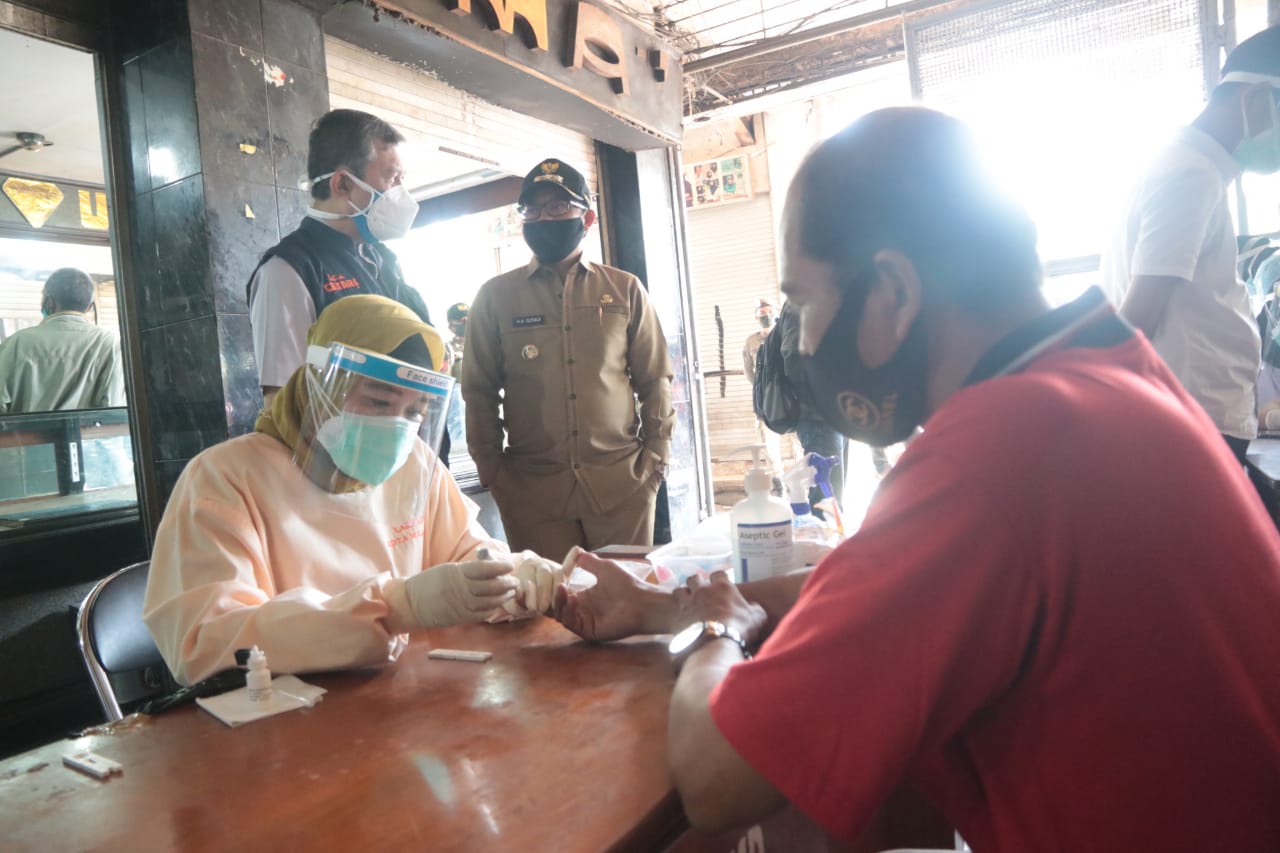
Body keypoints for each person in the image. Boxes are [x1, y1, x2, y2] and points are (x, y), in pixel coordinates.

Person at [554, 107, 1280, 851]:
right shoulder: (1109, 372)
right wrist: (664, 606)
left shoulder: (994, 454)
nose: (802, 344)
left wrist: (716, 631)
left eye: (803, 304)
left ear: (893, 290)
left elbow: (716, 780)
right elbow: (870, 585)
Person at [144, 296, 557, 686]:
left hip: (404, 697)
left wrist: (512, 578)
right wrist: (397, 607)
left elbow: (468, 554)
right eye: (379, 402)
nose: (398, 427)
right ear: (320, 386)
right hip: (284, 717)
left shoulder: (413, 462)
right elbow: (206, 643)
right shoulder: (225, 477)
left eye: (414, 412)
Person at [462, 158, 674, 560]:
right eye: (533, 209)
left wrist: (655, 460)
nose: (545, 217)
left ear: (587, 217)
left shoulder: (624, 289)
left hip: (622, 486)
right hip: (532, 493)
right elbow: (478, 390)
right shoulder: (495, 297)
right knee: (551, 607)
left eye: (559, 207)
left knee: (627, 603)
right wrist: (493, 471)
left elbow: (655, 379)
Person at [1101, 25, 1280, 464]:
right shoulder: (1190, 175)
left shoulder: (1194, 170)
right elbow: (1137, 316)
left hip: (1195, 414)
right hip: (1188, 420)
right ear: (1257, 101)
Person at [246, 109, 431, 405]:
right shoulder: (290, 270)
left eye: (402, 179)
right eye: (391, 177)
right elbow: (283, 404)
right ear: (342, 184)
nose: (401, 193)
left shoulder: (384, 261)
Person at [0, 267, 124, 413]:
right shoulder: (110, 344)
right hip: (90, 436)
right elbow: (114, 407)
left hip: (23, 436)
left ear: (48, 302)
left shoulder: (16, 343)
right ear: (90, 307)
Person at [741, 299, 783, 476]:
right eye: (762, 314)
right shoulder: (752, 341)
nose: (767, 316)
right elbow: (749, 371)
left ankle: (803, 481)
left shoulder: (786, 334)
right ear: (756, 317)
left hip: (790, 395)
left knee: (798, 439)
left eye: (770, 312)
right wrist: (763, 389)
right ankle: (778, 480)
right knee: (769, 442)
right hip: (766, 399)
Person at [445, 301, 469, 381]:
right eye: (460, 320)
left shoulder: (487, 346)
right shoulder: (447, 350)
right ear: (451, 327)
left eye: (469, 318)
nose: (466, 321)